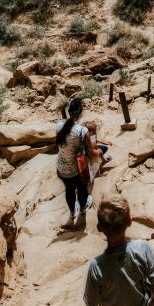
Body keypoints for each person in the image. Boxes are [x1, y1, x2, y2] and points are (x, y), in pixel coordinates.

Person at [55, 96, 93, 227]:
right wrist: (100, 152)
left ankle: (72, 213)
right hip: (76, 169)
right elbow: (91, 152)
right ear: (81, 112)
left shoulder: (59, 125)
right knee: (82, 189)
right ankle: (82, 208)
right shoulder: (83, 130)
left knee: (69, 190)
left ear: (69, 111)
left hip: (61, 168)